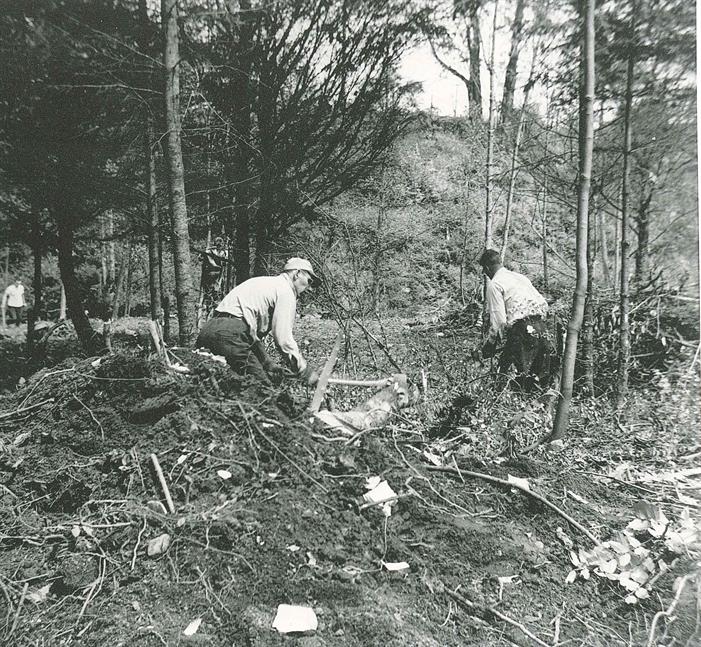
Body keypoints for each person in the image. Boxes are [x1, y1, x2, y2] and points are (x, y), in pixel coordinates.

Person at [196, 257, 320, 387]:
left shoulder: (263, 282)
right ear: (297, 273)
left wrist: (267, 362)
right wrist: (303, 370)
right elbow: (283, 339)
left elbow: (249, 331)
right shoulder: (286, 291)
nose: (309, 287)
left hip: (209, 330)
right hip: (230, 336)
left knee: (219, 387)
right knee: (262, 390)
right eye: (309, 280)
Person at [473, 249, 554, 390]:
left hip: (523, 330)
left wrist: (490, 344)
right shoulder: (520, 277)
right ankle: (541, 409)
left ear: (486, 268)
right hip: (543, 327)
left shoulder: (495, 284)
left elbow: (499, 322)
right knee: (542, 379)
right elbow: (544, 304)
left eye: (484, 271)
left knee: (516, 377)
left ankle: (507, 401)